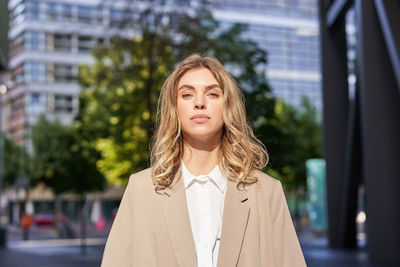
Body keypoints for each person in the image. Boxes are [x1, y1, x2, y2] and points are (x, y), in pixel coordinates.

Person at [101, 54, 306, 267]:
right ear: (174, 107)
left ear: (227, 105)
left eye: (213, 94)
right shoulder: (141, 189)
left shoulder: (266, 192)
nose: (199, 103)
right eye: (187, 94)